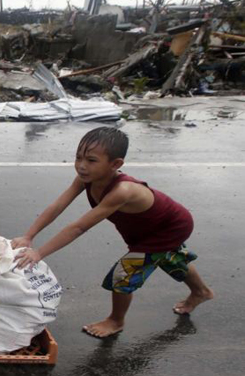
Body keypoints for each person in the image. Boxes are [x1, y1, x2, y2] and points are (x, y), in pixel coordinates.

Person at [12, 127, 213, 338]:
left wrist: (39, 253)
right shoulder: (85, 179)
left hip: (168, 228)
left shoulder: (122, 191)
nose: (81, 166)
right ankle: (201, 291)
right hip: (144, 228)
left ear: (115, 164)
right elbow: (58, 205)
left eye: (91, 160)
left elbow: (79, 227)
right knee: (168, 257)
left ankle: (116, 321)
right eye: (78, 157)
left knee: (123, 274)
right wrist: (29, 236)